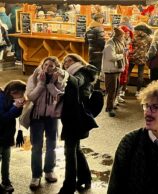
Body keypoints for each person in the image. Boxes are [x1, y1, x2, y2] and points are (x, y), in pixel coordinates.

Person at [59, 54, 100, 194]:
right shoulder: (76, 73)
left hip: (76, 118)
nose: (65, 63)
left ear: (77, 61)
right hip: (74, 116)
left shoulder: (81, 73)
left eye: (69, 60)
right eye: (64, 62)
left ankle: (68, 187)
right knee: (75, 149)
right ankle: (85, 178)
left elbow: (77, 82)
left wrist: (65, 75)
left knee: (69, 151)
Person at [26, 56, 67, 190]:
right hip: (37, 117)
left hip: (52, 117)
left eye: (51, 66)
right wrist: (41, 84)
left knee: (51, 145)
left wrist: (50, 84)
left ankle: (49, 171)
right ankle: (36, 176)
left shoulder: (59, 80)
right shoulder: (34, 77)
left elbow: (60, 95)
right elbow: (31, 96)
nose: (47, 68)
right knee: (36, 147)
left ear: (56, 68)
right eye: (45, 65)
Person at [0, 80, 26, 193]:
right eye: (21, 94)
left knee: (6, 160)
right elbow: (3, 118)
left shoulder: (9, 98)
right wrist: (16, 106)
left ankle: (6, 181)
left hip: (7, 135)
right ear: (13, 92)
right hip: (0, 135)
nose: (22, 96)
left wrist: (19, 107)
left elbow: (14, 115)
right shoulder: (1, 99)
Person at [102, 27, 126, 117]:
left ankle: (111, 105)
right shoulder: (110, 44)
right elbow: (111, 57)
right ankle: (109, 108)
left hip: (116, 69)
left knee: (116, 89)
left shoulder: (118, 43)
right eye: (122, 36)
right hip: (110, 70)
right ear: (118, 36)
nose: (123, 37)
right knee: (111, 90)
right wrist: (121, 55)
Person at [129, 24, 153, 93]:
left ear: (139, 30)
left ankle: (123, 90)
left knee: (128, 73)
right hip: (142, 58)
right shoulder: (149, 38)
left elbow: (130, 45)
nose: (135, 31)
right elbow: (149, 48)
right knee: (140, 75)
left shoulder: (134, 37)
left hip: (133, 57)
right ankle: (138, 91)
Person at [84, 13, 105, 80]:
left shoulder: (89, 28)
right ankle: (96, 87)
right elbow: (101, 42)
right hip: (98, 52)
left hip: (91, 51)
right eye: (102, 18)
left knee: (92, 69)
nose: (103, 20)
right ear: (99, 19)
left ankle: (92, 86)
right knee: (97, 70)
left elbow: (86, 41)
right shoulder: (99, 28)